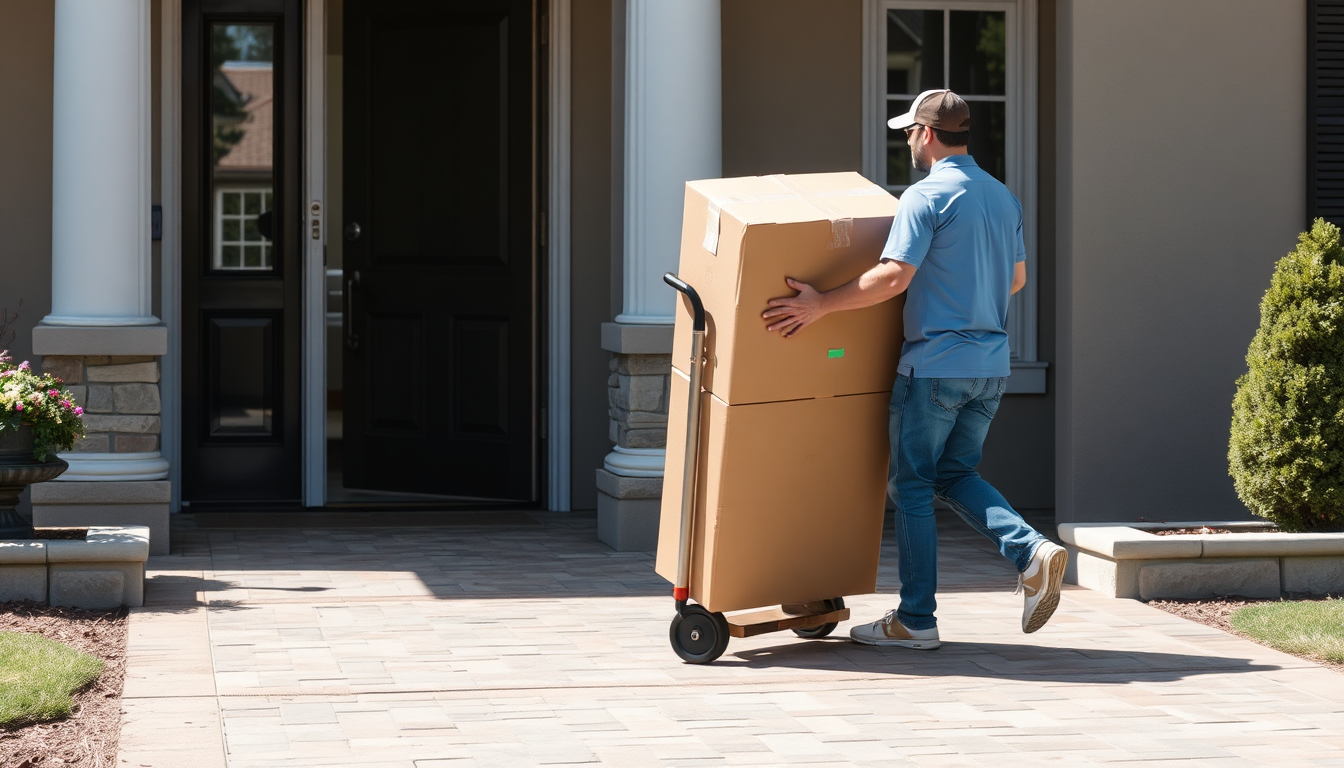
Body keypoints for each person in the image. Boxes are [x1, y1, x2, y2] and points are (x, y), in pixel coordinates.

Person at [761, 89, 1066, 650]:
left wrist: (819, 304)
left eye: (908, 132)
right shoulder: (1002, 198)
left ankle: (916, 619)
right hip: (991, 368)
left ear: (926, 135)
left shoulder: (924, 197)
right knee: (953, 474)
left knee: (915, 487)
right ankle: (1031, 550)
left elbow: (894, 276)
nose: (905, 140)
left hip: (934, 369)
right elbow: (1015, 281)